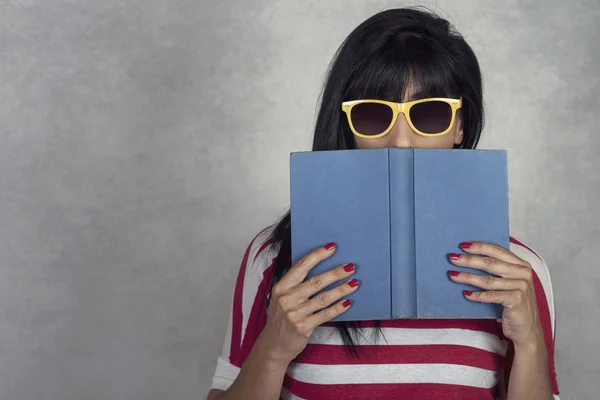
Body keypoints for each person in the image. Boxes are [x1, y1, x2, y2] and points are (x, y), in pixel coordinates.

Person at [207, 7, 560, 400]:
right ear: (347, 125)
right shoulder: (274, 258)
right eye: (374, 116)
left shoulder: (518, 274)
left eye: (430, 113)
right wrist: (272, 353)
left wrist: (529, 342)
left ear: (461, 124)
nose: (401, 141)